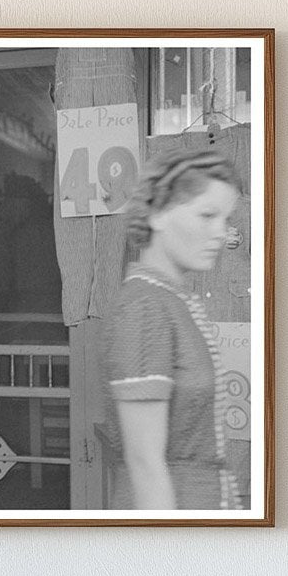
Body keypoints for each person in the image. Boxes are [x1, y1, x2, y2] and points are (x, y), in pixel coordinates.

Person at [103, 150, 241, 511]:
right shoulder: (145, 307)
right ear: (158, 213)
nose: (221, 234)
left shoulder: (170, 299)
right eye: (207, 215)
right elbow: (145, 462)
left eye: (226, 220)